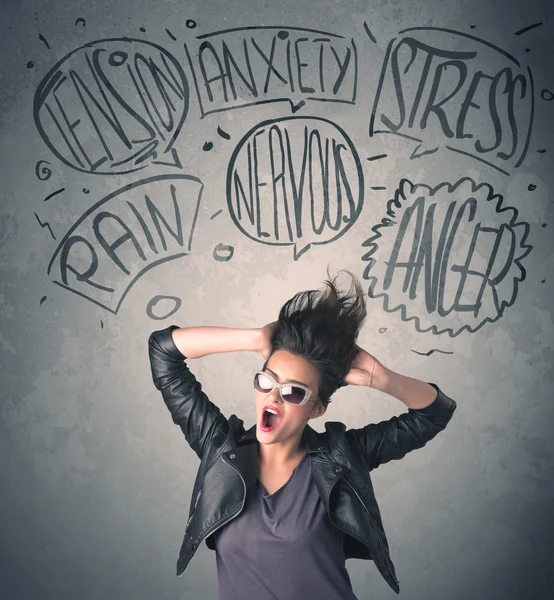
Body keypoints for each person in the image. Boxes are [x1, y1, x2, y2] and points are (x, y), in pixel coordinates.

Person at [148, 266, 457, 599]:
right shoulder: (221, 450)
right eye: (266, 381)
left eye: (293, 392)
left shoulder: (344, 458)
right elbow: (164, 352)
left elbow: (434, 413)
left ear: (317, 409)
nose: (273, 396)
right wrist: (254, 339)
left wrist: (380, 378)